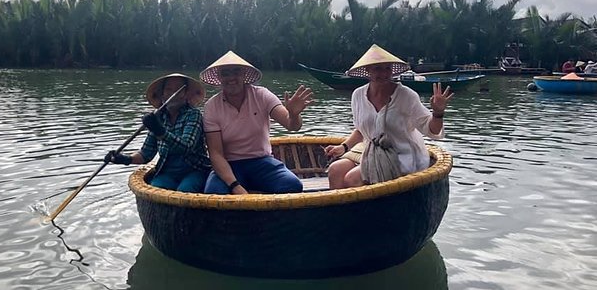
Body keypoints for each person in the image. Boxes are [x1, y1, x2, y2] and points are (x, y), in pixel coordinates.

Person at [325, 45, 453, 188]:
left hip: (401, 156)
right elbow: (361, 130)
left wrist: (438, 113)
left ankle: (363, 210)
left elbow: (433, 130)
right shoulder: (358, 95)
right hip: (370, 153)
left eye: (387, 68)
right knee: (334, 170)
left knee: (352, 179)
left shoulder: (406, 96)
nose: (384, 73)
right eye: (377, 68)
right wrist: (344, 147)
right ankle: (343, 211)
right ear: (367, 71)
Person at [200, 51, 313, 194]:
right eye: (225, 73)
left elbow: (292, 126)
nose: (231, 77)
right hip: (229, 165)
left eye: (236, 72)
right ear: (219, 78)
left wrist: (294, 114)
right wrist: (235, 186)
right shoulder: (212, 106)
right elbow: (216, 154)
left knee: (292, 185)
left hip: (261, 161)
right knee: (214, 193)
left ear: (244, 75)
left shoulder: (262, 95)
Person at [105, 73, 210, 193]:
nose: (173, 94)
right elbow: (146, 154)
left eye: (178, 90)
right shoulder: (158, 118)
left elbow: (186, 146)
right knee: (156, 189)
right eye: (168, 89)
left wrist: (159, 131)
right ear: (162, 94)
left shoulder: (193, 114)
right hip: (167, 172)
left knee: (185, 190)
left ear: (185, 94)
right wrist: (124, 159)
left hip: (195, 170)